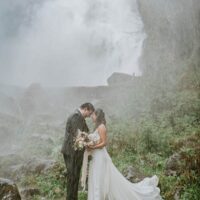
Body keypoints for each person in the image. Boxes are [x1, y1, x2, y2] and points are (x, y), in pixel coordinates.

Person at [85, 108, 163, 200]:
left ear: (97, 116)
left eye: (93, 115)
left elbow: (104, 143)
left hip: (100, 156)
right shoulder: (97, 127)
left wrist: (92, 147)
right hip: (96, 156)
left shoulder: (101, 127)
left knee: (100, 175)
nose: (91, 117)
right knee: (97, 175)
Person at [61, 102, 94, 200]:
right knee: (72, 177)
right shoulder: (76, 116)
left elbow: (85, 133)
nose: (89, 116)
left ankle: (73, 198)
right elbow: (78, 135)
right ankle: (71, 198)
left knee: (75, 176)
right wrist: (87, 142)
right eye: (89, 113)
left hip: (76, 151)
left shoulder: (79, 117)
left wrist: (89, 140)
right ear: (86, 109)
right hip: (71, 152)